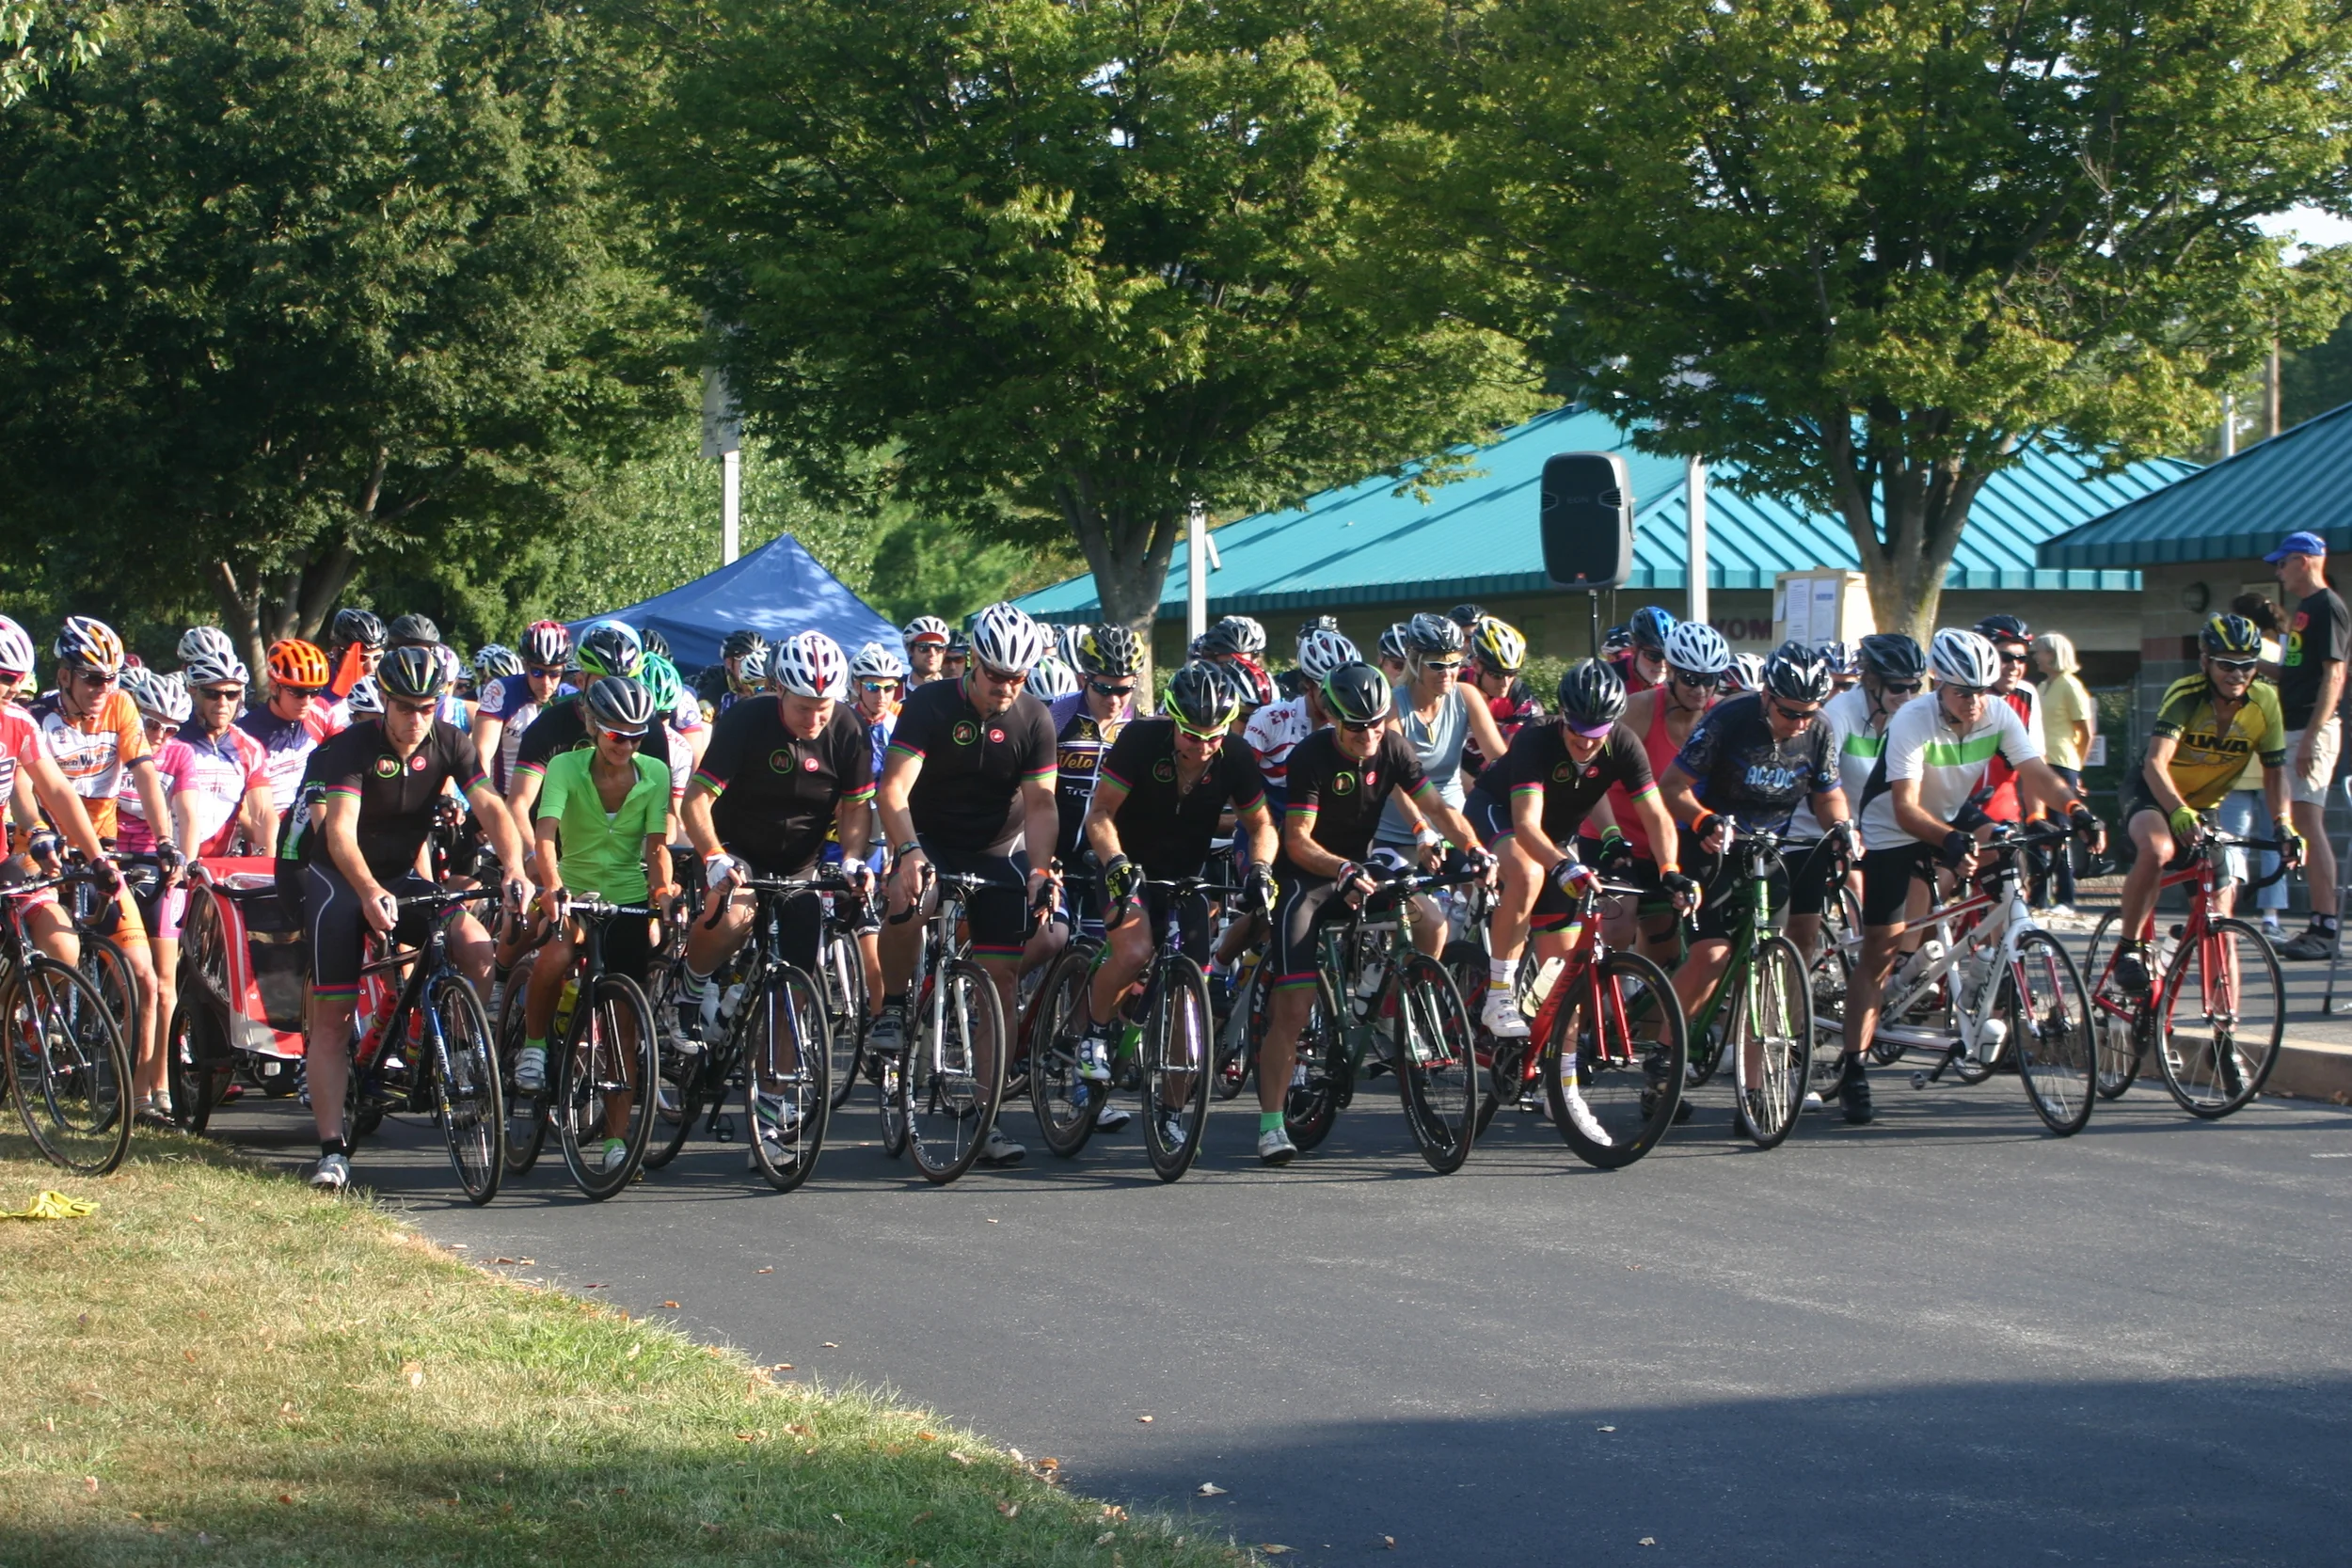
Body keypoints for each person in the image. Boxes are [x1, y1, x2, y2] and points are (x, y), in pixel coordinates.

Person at [1839, 630, 2103, 1123]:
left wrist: (2076, 810)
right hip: (1893, 825)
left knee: (2008, 862)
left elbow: (2035, 769)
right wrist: (1950, 842)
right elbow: (1905, 807)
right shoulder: (1912, 719)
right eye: (1965, 692)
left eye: (1984, 690)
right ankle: (1854, 1064)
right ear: (1939, 683)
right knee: (1879, 948)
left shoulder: (1997, 711)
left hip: (1950, 810)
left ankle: (1982, 978)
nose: (1976, 702)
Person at [300, 645, 529, 1191]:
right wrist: (369, 889)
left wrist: (517, 865)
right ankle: (332, 1151)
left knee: (474, 945)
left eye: (428, 707)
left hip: (401, 877)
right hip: (339, 879)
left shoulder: (450, 741)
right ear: (384, 701)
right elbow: (338, 831)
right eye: (405, 707)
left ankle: (458, 1051)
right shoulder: (353, 747)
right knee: (331, 1019)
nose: (416, 719)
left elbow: (492, 806)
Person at [1257, 662, 1491, 1165]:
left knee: (1430, 920)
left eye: (1379, 722)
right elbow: (1297, 840)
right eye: (1358, 725)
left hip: (1360, 865)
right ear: (1334, 719)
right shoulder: (1312, 755)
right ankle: (1272, 1124)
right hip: (1308, 876)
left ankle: (1388, 1005)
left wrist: (1472, 847)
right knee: (1294, 1009)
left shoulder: (1392, 747)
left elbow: (1437, 806)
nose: (1370, 734)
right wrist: (1339, 868)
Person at [870, 602, 1059, 1167]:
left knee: (1000, 980)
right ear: (973, 661)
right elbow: (894, 788)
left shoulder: (1033, 718)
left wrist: (1041, 869)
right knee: (910, 898)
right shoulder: (930, 702)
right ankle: (896, 1006)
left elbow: (1043, 804)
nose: (1006, 686)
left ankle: (986, 1115)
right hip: (927, 835)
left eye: (1018, 677)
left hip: (995, 846)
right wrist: (907, 851)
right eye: (997, 674)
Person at [1073, 663, 1279, 1145]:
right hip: (1128, 865)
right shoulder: (1141, 741)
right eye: (1191, 735)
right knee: (1134, 951)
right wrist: (1116, 860)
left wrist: (1262, 870)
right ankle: (1094, 1034)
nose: (1203, 747)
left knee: (1191, 997)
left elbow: (1261, 824)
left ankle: (1171, 1112)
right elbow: (1100, 813)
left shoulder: (1236, 755)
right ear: (1172, 720)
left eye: (1214, 737)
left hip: (1187, 877)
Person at [1470, 659, 1695, 1047]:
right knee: (1528, 874)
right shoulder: (1536, 738)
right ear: (1562, 717)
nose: (1587, 742)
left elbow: (1657, 816)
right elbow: (1525, 825)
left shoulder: (1623, 744)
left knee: (1564, 981)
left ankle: (1562, 1084)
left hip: (1551, 838)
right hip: (1496, 814)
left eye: (1597, 733)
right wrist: (1563, 866)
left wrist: (1669, 870)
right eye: (1578, 731)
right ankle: (1498, 994)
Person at [1656, 641, 1852, 1046]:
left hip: (1768, 849)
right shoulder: (1728, 719)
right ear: (1766, 696)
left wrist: (1842, 827)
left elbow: (1827, 795)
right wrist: (1702, 819)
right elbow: (1672, 786)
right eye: (1790, 713)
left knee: (1771, 964)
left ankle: (1760, 1090)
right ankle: (1665, 1049)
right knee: (1713, 954)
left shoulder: (1819, 729)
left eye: (1808, 713)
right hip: (1711, 842)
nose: (1800, 723)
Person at [518, 676, 675, 1175]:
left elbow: (656, 846)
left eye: (636, 736)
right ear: (592, 726)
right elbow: (546, 837)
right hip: (576, 890)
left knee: (623, 1023)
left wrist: (662, 891)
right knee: (560, 954)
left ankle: (615, 1140)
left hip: (627, 896)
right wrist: (551, 884)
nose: (627, 746)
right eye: (616, 736)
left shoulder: (652, 772)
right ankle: (536, 1045)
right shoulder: (565, 766)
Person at [31, 616, 180, 1115]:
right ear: (64, 676)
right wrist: (40, 840)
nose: (102, 688)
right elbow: (30, 792)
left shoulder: (121, 706)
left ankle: (137, 1096)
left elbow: (146, 774)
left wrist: (164, 840)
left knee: (143, 977)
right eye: (92, 677)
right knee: (56, 955)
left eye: (110, 678)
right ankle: (32, 1013)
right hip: (46, 850)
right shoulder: (37, 718)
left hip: (103, 851)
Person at [2109, 615, 2300, 994]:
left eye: (2246, 665)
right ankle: (2129, 948)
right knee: (2158, 848)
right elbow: (2154, 762)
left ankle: (2224, 1032)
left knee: (2221, 917)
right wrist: (2178, 810)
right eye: (2226, 665)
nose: (2237, 674)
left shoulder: (2265, 703)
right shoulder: (2186, 694)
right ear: (2205, 663)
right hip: (2153, 792)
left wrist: (2284, 823)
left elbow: (2275, 772)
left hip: (2203, 807)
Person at [1561, 618, 1728, 979]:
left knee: (1664, 949)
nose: (1701, 690)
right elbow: (1592, 783)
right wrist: (1610, 837)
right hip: (1613, 836)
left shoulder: (1718, 716)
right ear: (1671, 671)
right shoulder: (1638, 710)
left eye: (1710, 680)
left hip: (1665, 844)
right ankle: (1589, 1021)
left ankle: (1646, 1034)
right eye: (1691, 679)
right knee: (1618, 931)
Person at [1373, 614, 1511, 959]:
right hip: (1398, 835)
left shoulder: (1465, 696)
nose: (1448, 672)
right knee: (1430, 925)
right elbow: (1397, 783)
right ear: (1415, 662)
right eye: (1437, 665)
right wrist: (1420, 829)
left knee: (1498, 891)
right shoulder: (1393, 704)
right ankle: (1395, 993)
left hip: (1452, 827)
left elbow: (1501, 760)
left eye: (1455, 663)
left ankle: (1473, 980)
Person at [2267, 532, 2349, 958]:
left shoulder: (2328, 607)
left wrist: (2312, 736)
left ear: (2304, 561)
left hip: (2313, 728)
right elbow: (2293, 672)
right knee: (2298, 818)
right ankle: (2318, 922)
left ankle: (2325, 923)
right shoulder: (2304, 611)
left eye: (2282, 563)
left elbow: (2333, 675)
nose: (2278, 572)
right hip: (2294, 724)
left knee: (2309, 822)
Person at [2029, 631, 2094, 916]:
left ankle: (2066, 898)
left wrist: (2076, 769)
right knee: (2036, 829)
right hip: (2039, 762)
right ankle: (2038, 896)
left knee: (2061, 831)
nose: (2034, 655)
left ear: (2053, 654)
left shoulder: (2070, 685)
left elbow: (2086, 731)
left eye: (2039, 650)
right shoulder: (2043, 686)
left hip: (2062, 764)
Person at [473, 621, 571, 795]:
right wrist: (488, 803)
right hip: (505, 797)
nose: (546, 682)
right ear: (525, 665)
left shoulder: (569, 697)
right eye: (537, 673)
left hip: (553, 802)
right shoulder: (502, 691)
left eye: (554, 673)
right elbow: (482, 752)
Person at [1972, 615, 2044, 829]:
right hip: (1953, 814)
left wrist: (2036, 816)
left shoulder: (2026, 695)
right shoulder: (1957, 694)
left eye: (2021, 658)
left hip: (2003, 812)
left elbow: (2034, 764)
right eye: (2006, 657)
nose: (2015, 666)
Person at [1462, 615, 1545, 780]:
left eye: (1512, 674)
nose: (1505, 683)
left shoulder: (1518, 696)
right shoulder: (1457, 685)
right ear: (1476, 665)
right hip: (1454, 770)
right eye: (1496, 674)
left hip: (1492, 771)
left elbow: (1517, 759)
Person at [1609, 606, 1676, 694]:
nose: (1662, 664)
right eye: (1653, 656)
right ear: (1634, 649)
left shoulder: (1678, 681)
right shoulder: (1609, 679)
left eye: (1669, 657)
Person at [902, 617, 951, 686]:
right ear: (910, 650)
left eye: (938, 648)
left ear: (944, 652)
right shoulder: (891, 690)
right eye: (924, 647)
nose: (932, 654)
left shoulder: (954, 692)